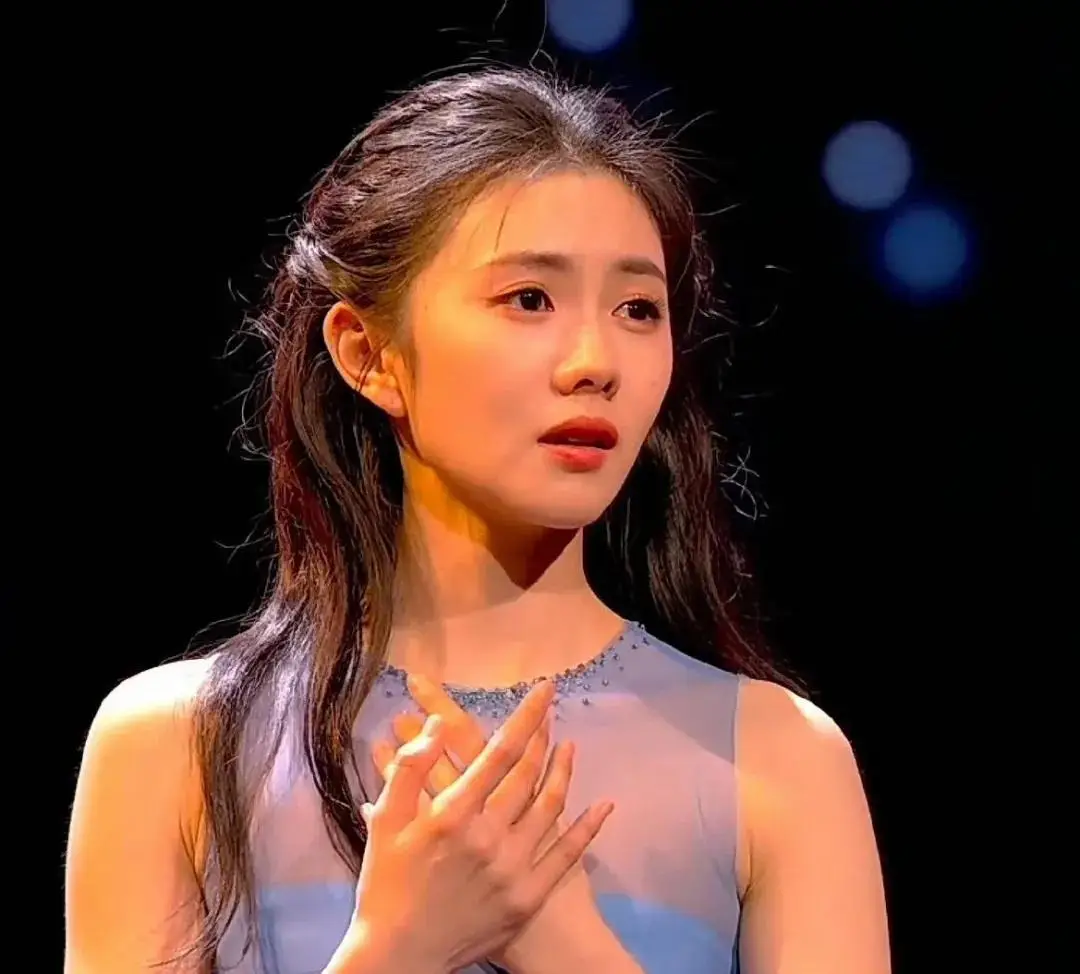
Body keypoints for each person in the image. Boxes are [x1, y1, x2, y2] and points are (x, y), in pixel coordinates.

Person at [64, 66, 891, 974]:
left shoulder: (777, 760)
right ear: (367, 353)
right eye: (529, 299)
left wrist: (562, 941)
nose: (595, 361)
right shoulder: (181, 745)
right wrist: (398, 947)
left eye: (638, 309)